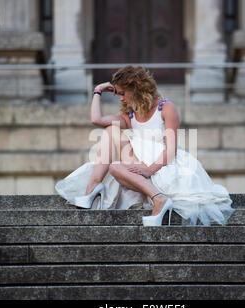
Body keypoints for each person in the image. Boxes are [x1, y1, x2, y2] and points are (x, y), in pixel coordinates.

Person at [55, 66, 235, 226]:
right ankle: (93, 188)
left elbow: (171, 150)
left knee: (115, 156)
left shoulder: (166, 108)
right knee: (111, 139)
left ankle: (158, 198)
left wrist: (149, 169)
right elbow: (96, 120)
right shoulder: (130, 117)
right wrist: (98, 90)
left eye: (123, 93)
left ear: (136, 89)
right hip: (139, 161)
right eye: (119, 95)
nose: (121, 99)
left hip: (163, 164)